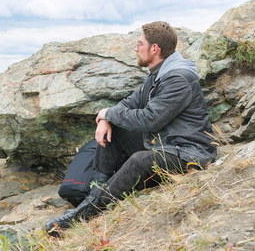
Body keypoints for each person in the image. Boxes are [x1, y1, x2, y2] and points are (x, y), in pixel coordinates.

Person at [45, 21, 217, 235]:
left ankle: (86, 213)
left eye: (139, 43)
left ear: (154, 48)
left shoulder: (178, 78)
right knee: (115, 130)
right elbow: (128, 104)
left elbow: (149, 120)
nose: (135, 48)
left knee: (139, 161)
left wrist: (107, 113)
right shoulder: (157, 75)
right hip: (167, 145)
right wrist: (107, 119)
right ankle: (93, 194)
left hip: (189, 154)